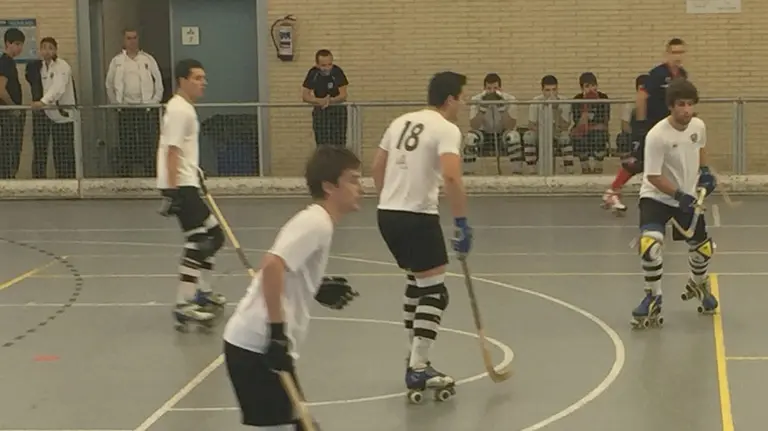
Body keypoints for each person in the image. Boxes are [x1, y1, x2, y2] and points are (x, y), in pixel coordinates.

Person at [222, 145, 362, 430]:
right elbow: (272, 265)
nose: (360, 187)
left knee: (304, 426)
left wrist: (316, 286)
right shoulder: (317, 223)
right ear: (329, 186)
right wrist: (277, 335)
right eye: (353, 179)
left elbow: (285, 266)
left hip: (257, 346)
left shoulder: (319, 222)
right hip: (257, 346)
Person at [371, 71, 473, 403]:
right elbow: (453, 178)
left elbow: (377, 166)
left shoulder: (400, 121)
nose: (464, 104)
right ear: (450, 99)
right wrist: (461, 223)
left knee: (417, 283)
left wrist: (391, 198)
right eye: (462, 98)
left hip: (387, 213)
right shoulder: (446, 128)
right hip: (417, 216)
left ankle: (414, 354)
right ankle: (418, 365)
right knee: (436, 293)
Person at [630, 78, 718, 329]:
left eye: (690, 104)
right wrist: (680, 197)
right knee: (650, 245)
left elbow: (700, 147)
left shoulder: (698, 126)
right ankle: (653, 296)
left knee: (703, 249)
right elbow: (654, 176)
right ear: (671, 106)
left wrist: (705, 172)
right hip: (657, 197)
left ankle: (698, 284)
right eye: (681, 104)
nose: (687, 110)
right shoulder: (657, 135)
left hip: (689, 196)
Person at [155, 59, 227, 330]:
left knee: (214, 237)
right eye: (197, 78)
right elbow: (172, 151)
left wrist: (196, 173)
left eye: (203, 77)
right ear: (182, 80)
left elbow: (182, 152)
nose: (202, 82)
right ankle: (185, 304)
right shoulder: (179, 110)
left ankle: (202, 294)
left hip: (187, 181)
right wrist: (173, 192)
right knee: (199, 241)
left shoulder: (185, 109)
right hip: (181, 186)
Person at [603, 38, 688, 214]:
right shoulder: (657, 74)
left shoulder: (682, 76)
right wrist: (641, 125)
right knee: (637, 161)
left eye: (681, 52)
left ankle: (672, 196)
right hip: (651, 126)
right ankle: (612, 192)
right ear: (667, 54)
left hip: (670, 127)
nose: (678, 56)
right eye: (674, 52)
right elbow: (641, 97)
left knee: (671, 161)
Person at [30, 37, 77, 179]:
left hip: (64, 116)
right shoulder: (43, 67)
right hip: (51, 115)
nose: (47, 51)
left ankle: (68, 181)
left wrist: (43, 102)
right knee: (53, 150)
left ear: (55, 50)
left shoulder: (62, 66)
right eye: (44, 48)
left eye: (50, 48)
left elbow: (58, 88)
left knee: (64, 152)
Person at [464, 73, 521, 174]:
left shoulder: (510, 99)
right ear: (484, 89)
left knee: (514, 136)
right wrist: (482, 109)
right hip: (483, 133)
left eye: (495, 88)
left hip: (502, 133)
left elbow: (511, 126)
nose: (492, 91)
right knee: (470, 137)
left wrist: (502, 108)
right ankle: (468, 173)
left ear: (500, 88)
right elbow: (474, 125)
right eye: (489, 88)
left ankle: (517, 172)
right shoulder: (476, 99)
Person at [301, 49, 349, 147]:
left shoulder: (337, 71)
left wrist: (329, 101)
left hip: (337, 112)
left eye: (329, 64)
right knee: (322, 143)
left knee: (338, 143)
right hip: (321, 111)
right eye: (323, 65)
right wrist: (319, 101)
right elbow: (305, 96)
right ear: (317, 65)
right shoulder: (313, 73)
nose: (327, 68)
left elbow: (343, 95)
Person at [570, 72, 610, 174]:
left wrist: (589, 127)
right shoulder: (577, 100)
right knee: (579, 137)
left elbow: (604, 123)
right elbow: (578, 124)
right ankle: (585, 167)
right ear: (582, 88)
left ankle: (598, 167)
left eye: (593, 85)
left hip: (597, 131)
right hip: (583, 131)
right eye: (587, 86)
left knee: (599, 135)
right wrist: (586, 109)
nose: (591, 89)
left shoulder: (603, 98)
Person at [0, 28, 25, 179]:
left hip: (10, 112)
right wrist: (13, 108)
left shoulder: (9, 63)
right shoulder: (5, 63)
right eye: (16, 44)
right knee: (9, 146)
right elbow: (1, 89)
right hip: (7, 113)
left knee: (12, 146)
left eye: (21, 44)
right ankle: (7, 177)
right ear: (7, 43)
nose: (19, 48)